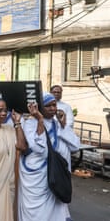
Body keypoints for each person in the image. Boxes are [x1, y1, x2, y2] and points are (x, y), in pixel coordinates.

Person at [18, 93, 80, 221]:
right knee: (38, 213)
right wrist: (40, 120)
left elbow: (75, 146)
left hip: (56, 173)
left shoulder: (57, 124)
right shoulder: (30, 123)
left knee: (56, 210)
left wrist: (63, 126)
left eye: (54, 105)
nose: (53, 109)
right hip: (37, 174)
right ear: (39, 108)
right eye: (48, 106)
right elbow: (40, 149)